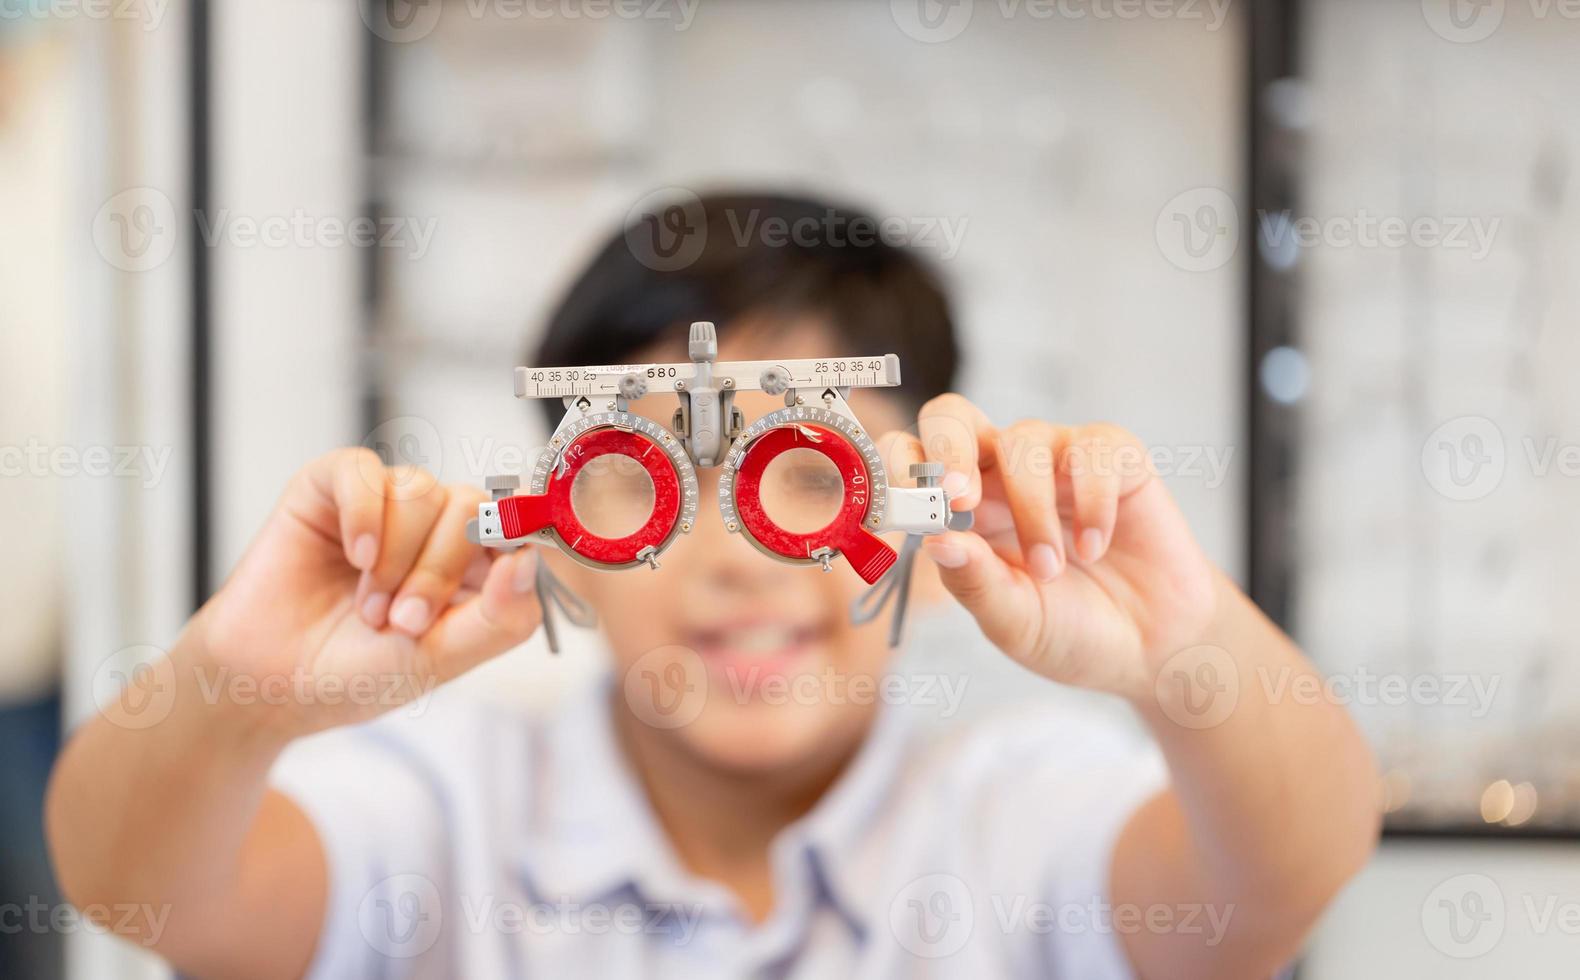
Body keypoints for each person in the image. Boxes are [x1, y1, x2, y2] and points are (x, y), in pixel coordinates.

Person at [46, 193, 1379, 979]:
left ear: (913, 498)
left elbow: (1283, 881)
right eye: (649, 477)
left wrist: (1181, 641)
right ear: (559, 522)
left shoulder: (1020, 812)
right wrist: (232, 692)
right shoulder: (440, 806)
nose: (738, 549)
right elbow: (138, 887)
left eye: (805, 474)